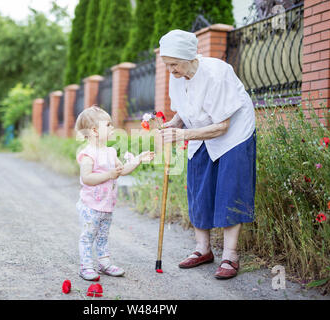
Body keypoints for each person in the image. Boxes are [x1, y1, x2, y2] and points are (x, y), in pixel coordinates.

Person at [159, 30, 257, 279]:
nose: (170, 70)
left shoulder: (217, 73)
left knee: (229, 188)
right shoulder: (177, 75)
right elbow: (183, 106)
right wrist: (175, 123)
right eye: (166, 64)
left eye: (173, 64)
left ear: (189, 57)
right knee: (199, 184)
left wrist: (183, 136)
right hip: (199, 128)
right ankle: (203, 250)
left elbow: (222, 126)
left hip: (233, 133)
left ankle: (230, 255)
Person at [74, 106, 155, 281]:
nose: (113, 128)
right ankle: (86, 266)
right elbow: (86, 178)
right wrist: (108, 175)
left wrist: (138, 159)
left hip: (106, 206)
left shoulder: (110, 152)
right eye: (108, 125)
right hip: (91, 207)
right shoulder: (88, 154)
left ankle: (104, 263)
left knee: (103, 237)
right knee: (88, 237)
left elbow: (122, 170)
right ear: (95, 131)